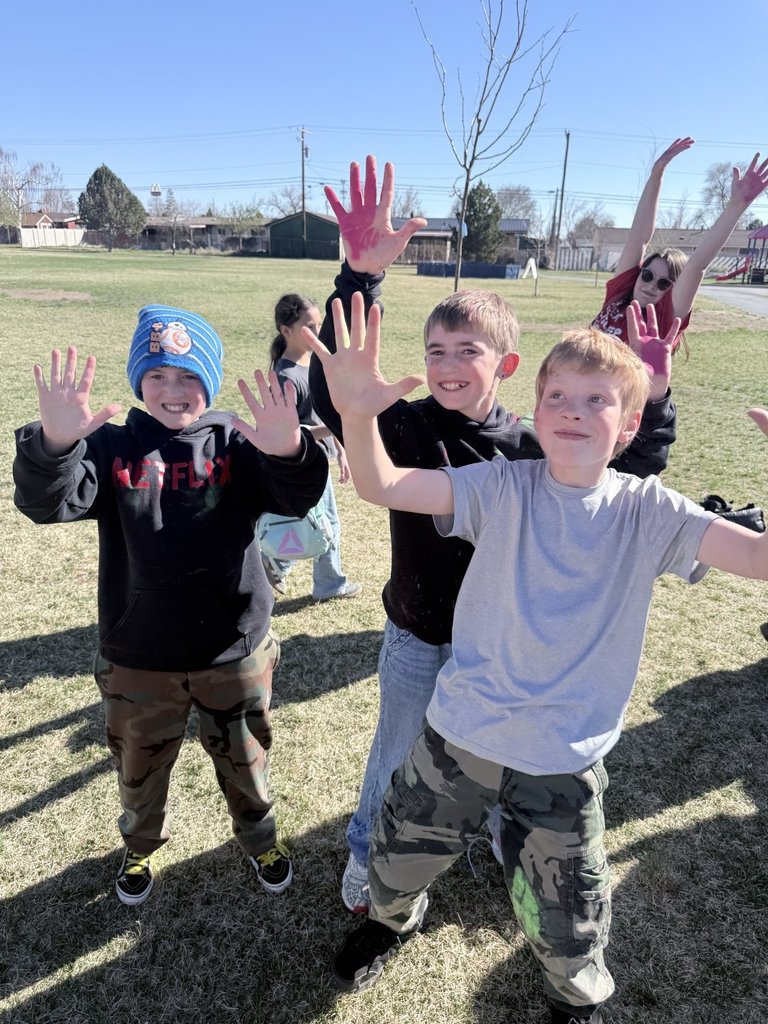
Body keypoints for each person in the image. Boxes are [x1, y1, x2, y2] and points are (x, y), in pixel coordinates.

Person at [303, 294, 768, 1024]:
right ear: (537, 407)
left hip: (562, 760)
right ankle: (390, 923)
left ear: (629, 424)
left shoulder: (653, 512)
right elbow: (380, 485)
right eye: (556, 396)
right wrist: (357, 415)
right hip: (459, 736)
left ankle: (572, 994)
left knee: (570, 912)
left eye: (596, 399)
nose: (572, 410)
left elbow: (760, 559)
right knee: (396, 861)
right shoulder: (502, 484)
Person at [308, 156, 678, 914]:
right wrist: (359, 279)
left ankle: (492, 846)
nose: (447, 366)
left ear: (505, 364)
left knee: (498, 765)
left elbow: (630, 463)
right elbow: (337, 394)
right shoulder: (408, 427)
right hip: (418, 637)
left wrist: (657, 399)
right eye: (436, 352)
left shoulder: (532, 444)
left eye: (467, 352)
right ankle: (364, 856)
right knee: (397, 758)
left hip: (505, 652)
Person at [13, 305, 328, 906]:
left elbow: (295, 491)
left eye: (188, 377)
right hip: (139, 656)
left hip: (233, 649)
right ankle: (139, 844)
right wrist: (53, 445)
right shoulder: (109, 446)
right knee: (139, 765)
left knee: (246, 757)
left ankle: (260, 838)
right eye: (157, 375)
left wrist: (289, 450)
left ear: (208, 383)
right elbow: (46, 503)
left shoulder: (236, 441)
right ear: (138, 381)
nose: (173, 390)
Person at [592, 138, 768, 351]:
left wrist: (736, 206)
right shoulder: (619, 296)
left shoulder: (665, 320)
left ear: (673, 290)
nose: (650, 285)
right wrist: (656, 175)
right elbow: (638, 238)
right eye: (647, 275)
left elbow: (697, 265)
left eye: (664, 283)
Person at [264, 292, 361, 603]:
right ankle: (320, 580)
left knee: (313, 520)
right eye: (310, 326)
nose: (318, 333)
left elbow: (324, 412)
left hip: (318, 458)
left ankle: (277, 565)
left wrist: (341, 448)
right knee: (323, 522)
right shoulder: (286, 376)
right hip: (302, 463)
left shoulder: (314, 363)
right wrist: (338, 427)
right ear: (286, 330)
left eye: (319, 325)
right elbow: (288, 430)